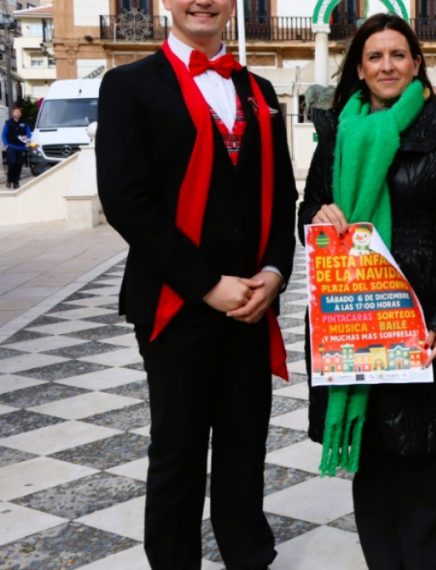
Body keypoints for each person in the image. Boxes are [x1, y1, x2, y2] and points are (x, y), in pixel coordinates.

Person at [95, 0, 297, 565]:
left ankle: (248, 554)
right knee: (178, 452)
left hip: (252, 303)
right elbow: (126, 202)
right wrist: (207, 284)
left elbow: (283, 195)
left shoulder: (259, 89)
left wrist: (275, 274)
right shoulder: (128, 85)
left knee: (244, 446)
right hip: (173, 301)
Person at [298, 13, 436, 569]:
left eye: (398, 55)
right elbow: (308, 211)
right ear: (359, 68)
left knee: (420, 450)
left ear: (417, 64)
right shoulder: (337, 133)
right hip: (352, 315)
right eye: (374, 56)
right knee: (372, 454)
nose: (387, 65)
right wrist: (319, 215)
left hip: (416, 315)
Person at [3, 107, 30, 188]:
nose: (17, 113)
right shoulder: (8, 123)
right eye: (15, 112)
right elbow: (3, 134)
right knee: (12, 163)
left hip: (21, 147)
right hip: (11, 146)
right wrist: (5, 143)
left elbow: (29, 133)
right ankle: (9, 179)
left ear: (20, 114)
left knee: (19, 165)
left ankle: (16, 182)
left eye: (18, 112)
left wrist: (26, 136)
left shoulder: (24, 123)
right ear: (13, 113)